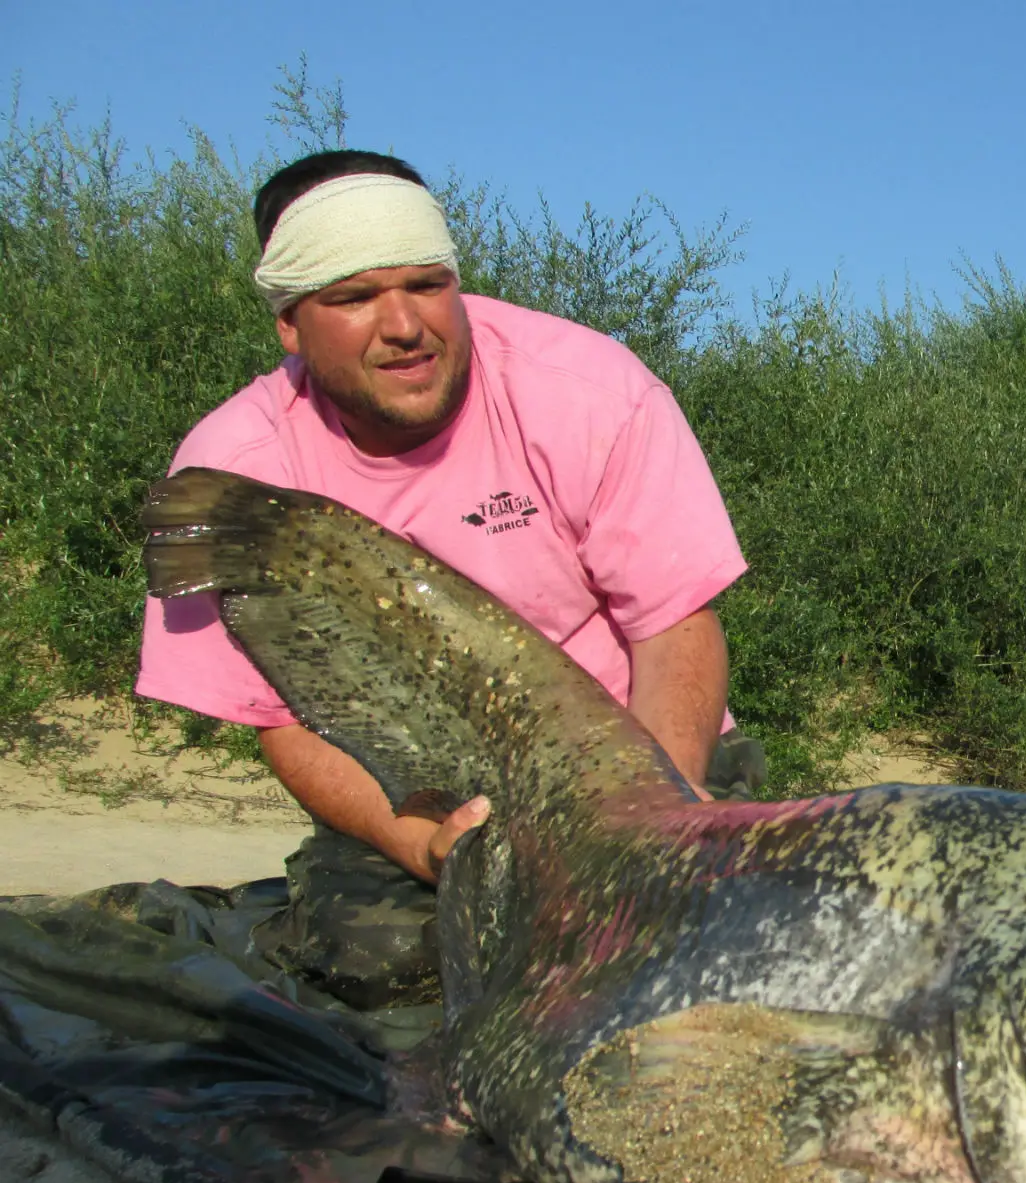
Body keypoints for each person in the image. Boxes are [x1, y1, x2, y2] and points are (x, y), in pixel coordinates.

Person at [136, 149, 760, 1009]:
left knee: (730, 954)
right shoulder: (238, 473)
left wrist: (655, 817)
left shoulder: (588, 390)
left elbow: (675, 622)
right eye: (353, 298)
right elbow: (284, 724)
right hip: (426, 801)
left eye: (427, 285)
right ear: (289, 322)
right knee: (398, 965)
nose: (403, 325)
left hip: (650, 759)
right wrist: (427, 848)